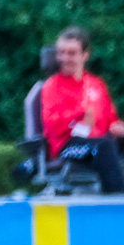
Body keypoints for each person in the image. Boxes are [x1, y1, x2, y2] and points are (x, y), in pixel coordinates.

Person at [37, 26, 124, 193]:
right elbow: (51, 125)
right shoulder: (52, 87)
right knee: (103, 147)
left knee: (106, 144)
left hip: (100, 142)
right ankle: (117, 207)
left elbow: (110, 120)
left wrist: (118, 127)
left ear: (85, 55)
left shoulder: (96, 84)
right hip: (67, 147)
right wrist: (79, 116)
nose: (64, 58)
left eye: (71, 53)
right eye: (61, 52)